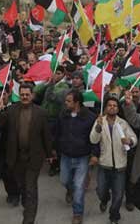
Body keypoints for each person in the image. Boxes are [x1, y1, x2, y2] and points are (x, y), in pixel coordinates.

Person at [0, 83, 54, 224]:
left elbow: (46, 135)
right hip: (16, 157)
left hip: (34, 157)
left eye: (27, 94)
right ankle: (27, 205)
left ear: (32, 95)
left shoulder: (41, 113)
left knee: (30, 188)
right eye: (22, 95)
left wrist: (50, 153)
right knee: (23, 187)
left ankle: (28, 219)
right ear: (19, 95)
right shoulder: (11, 110)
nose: (25, 97)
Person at [89, 97, 137, 224]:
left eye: (114, 105)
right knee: (101, 191)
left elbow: (134, 137)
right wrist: (98, 128)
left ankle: (114, 216)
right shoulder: (100, 121)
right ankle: (104, 199)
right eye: (109, 105)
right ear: (105, 108)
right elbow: (93, 140)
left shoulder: (123, 123)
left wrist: (130, 141)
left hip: (120, 166)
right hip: (104, 164)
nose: (112, 107)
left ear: (117, 108)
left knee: (119, 194)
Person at [55, 90, 97, 224]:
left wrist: (95, 154)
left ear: (77, 103)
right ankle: (69, 190)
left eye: (68, 101)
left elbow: (95, 139)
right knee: (64, 180)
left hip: (82, 157)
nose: (65, 103)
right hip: (66, 155)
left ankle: (77, 213)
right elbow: (57, 133)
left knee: (79, 186)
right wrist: (54, 149)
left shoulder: (90, 117)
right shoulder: (63, 115)